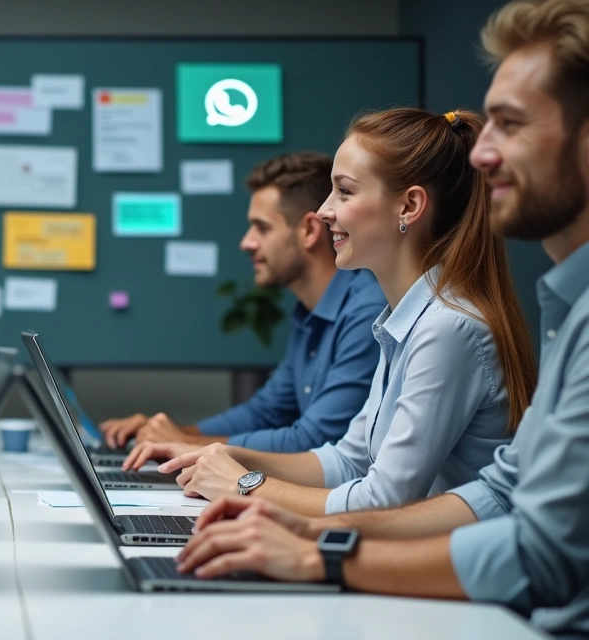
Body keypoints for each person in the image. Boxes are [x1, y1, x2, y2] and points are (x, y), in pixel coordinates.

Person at [179, 3, 589, 635]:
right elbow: (493, 491)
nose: (484, 153)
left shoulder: (450, 324)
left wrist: (293, 523)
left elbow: (511, 540)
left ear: (408, 208)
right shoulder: (442, 315)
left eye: (510, 125)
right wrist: (292, 513)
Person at [128, 107, 538, 516]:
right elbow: (348, 461)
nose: (325, 211)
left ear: (409, 206)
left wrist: (242, 484)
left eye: (344, 191)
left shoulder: (447, 328)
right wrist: (226, 455)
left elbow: (382, 501)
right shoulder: (403, 320)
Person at [101, 152, 385, 453]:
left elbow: (315, 440)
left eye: (262, 228)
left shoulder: (366, 312)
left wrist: (185, 442)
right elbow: (264, 412)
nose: (246, 242)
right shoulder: (310, 315)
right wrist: (166, 433)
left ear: (309, 231)